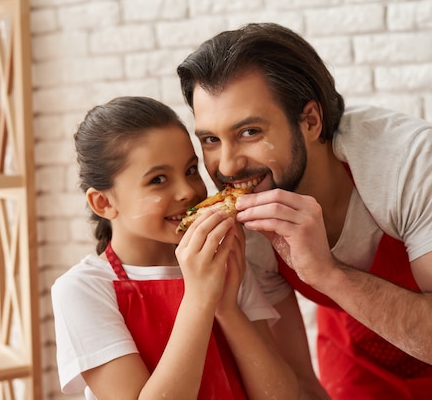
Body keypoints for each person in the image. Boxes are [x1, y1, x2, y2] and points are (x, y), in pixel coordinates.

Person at [176, 23, 432, 399]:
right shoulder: (245, 228)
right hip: (358, 334)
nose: (229, 167)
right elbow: (298, 383)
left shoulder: (408, 160)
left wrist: (327, 273)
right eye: (210, 140)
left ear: (311, 121)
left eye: (250, 132)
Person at [51, 96, 299, 400]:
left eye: (191, 170)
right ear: (104, 202)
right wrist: (199, 298)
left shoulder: (222, 261)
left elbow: (281, 396)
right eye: (158, 179)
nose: (188, 191)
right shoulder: (83, 290)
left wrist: (227, 308)